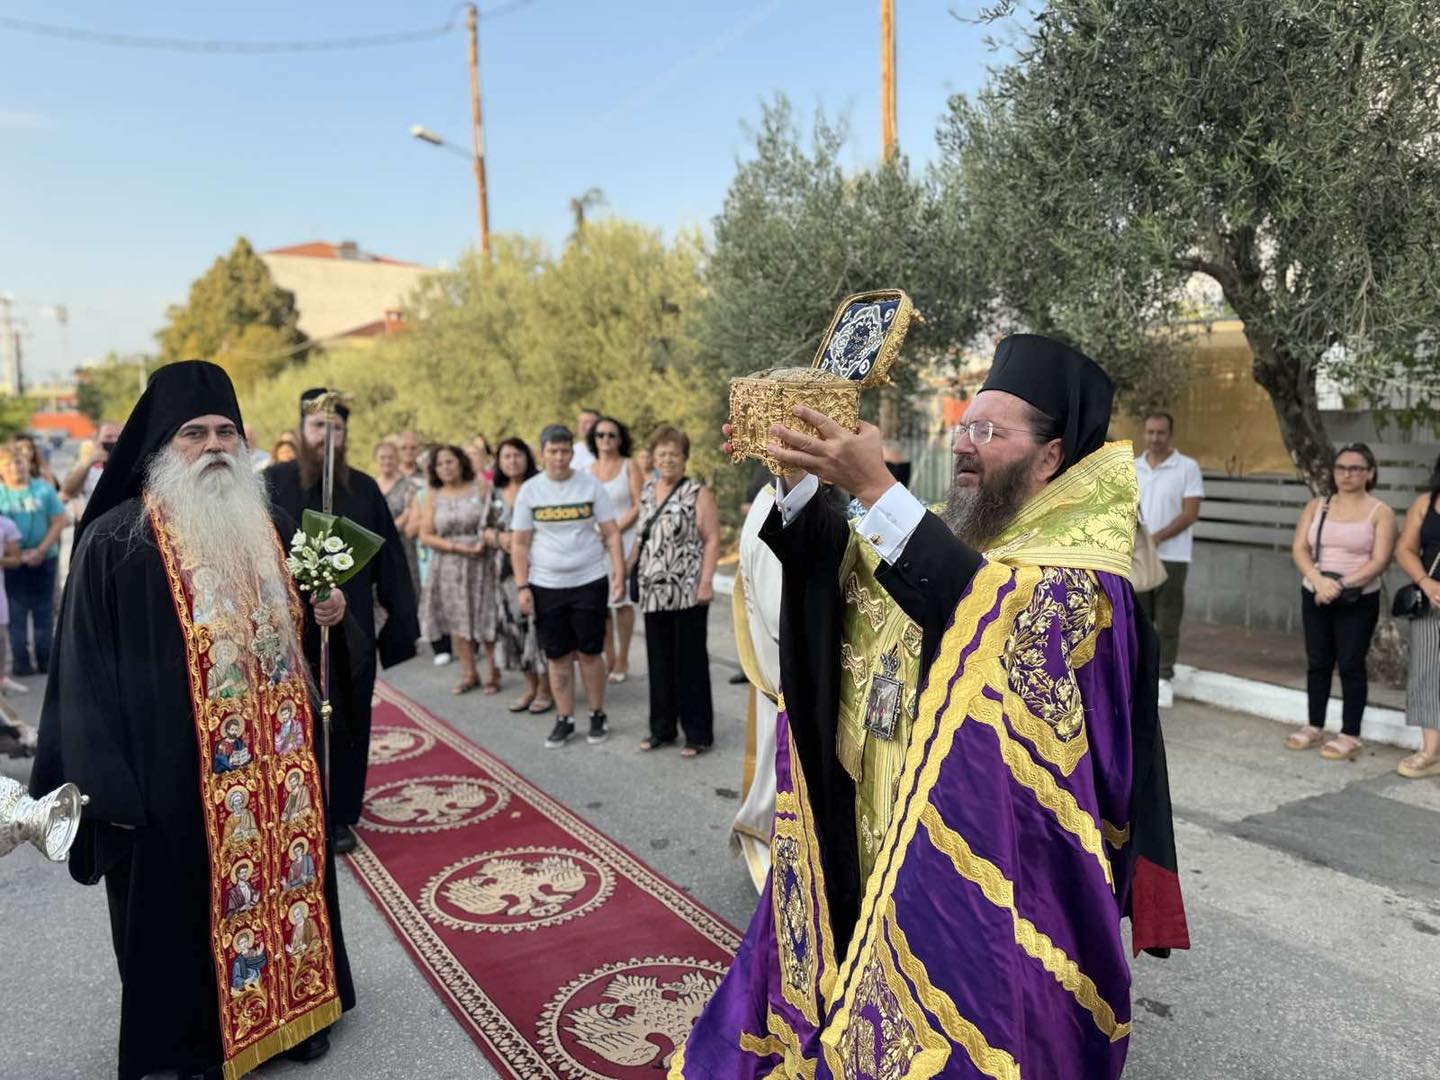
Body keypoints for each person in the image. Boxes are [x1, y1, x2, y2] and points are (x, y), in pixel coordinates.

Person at [675, 334, 1188, 1080]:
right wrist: (800, 484)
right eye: (963, 427)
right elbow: (858, 589)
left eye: (990, 431)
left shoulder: (1084, 576)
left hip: (998, 856)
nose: (967, 447)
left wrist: (879, 490)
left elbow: (992, 623)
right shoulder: (968, 528)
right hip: (888, 817)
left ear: (1050, 457)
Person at [30, 361, 354, 1079]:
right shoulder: (116, 541)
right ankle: (196, 1048)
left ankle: (296, 1016)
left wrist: (330, 614)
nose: (213, 445)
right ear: (160, 446)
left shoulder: (271, 523)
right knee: (183, 917)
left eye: (225, 432)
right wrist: (105, 789)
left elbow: (302, 636)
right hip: (170, 778)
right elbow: (80, 672)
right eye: (193, 433)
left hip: (278, 773)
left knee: (286, 891)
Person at [265, 389, 419, 854]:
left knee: (350, 719)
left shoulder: (365, 488)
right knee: (292, 719)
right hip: (288, 628)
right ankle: (296, 804)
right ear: (301, 431)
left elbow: (391, 559)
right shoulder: (271, 483)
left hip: (350, 631)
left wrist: (398, 622)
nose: (326, 436)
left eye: (336, 428)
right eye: (318, 427)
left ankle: (340, 815)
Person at [511, 424, 626, 749]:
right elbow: (519, 545)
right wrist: (522, 587)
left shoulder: (590, 485)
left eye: (565, 452)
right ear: (543, 453)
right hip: (545, 584)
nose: (559, 458)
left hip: (588, 580)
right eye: (553, 452)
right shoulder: (531, 491)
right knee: (558, 656)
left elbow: (612, 532)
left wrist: (618, 573)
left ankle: (596, 713)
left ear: (571, 454)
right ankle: (564, 718)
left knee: (591, 652)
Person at [1284, 444, 1396, 759]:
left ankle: (1350, 733)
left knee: (1350, 664)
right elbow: (1299, 548)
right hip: (1316, 592)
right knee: (1318, 661)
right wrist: (1318, 581)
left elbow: (1380, 560)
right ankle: (1314, 724)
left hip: (1358, 597)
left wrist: (1342, 584)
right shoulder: (1317, 506)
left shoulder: (1380, 512)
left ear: (1370, 472)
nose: (1347, 474)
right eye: (1341, 468)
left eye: (1356, 468)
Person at [633, 425, 720, 756]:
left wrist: (707, 582)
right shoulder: (647, 490)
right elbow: (642, 536)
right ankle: (662, 729)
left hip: (688, 591)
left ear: (684, 458)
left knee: (690, 664)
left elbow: (712, 538)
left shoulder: (697, 493)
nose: (667, 459)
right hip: (653, 591)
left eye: (674, 454)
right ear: (653, 458)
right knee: (659, 663)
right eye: (661, 454)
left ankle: (697, 734)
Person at [729, 481, 782, 888]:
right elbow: (780, 614)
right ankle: (768, 853)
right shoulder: (774, 511)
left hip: (781, 678)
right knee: (777, 776)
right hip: (783, 679)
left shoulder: (772, 499)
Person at [1134, 412, 1204, 708]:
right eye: (1150, 432)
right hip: (1137, 557)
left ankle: (1163, 679)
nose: (1154, 438)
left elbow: (1190, 513)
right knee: (1139, 621)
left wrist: (1157, 538)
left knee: (1167, 621)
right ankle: (1140, 677)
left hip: (1172, 557)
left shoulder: (1187, 467)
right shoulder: (1133, 467)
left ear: (1170, 434)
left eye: (1161, 433)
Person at [418, 445, 499, 695]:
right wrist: (455, 547)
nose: (445, 468)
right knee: (457, 619)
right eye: (440, 464)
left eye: (450, 462)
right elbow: (425, 535)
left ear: (461, 462)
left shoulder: (481, 488)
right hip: (448, 565)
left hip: (480, 561)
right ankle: (469, 673)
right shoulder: (435, 494)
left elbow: (495, 522)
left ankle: (494, 673)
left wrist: (483, 543)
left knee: (485, 614)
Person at [486, 436, 554, 714]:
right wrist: (499, 538)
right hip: (504, 574)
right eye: (506, 457)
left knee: (539, 629)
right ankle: (529, 686)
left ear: (527, 457)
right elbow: (484, 530)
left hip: (538, 568)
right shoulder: (495, 492)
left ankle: (546, 689)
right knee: (514, 629)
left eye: (517, 455)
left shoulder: (541, 488)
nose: (512, 461)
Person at [0, 442, 66, 677]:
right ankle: (21, 664)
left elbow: (59, 520)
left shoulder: (43, 490)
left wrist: (41, 549)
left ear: (27, 464)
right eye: (8, 464)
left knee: (43, 612)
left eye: (18, 462)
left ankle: (46, 660)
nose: (15, 467)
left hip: (43, 559)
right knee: (16, 616)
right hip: (11, 564)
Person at [1395, 453, 1440, 779]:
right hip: (1432, 601)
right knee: (1427, 675)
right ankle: (1430, 751)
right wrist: (1425, 582)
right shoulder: (1427, 503)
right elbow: (1405, 549)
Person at [587, 416, 642, 682]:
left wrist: (614, 529)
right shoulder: (588, 470)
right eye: (600, 435)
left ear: (620, 438)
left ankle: (623, 657)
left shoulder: (629, 466)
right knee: (603, 601)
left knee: (622, 601)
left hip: (625, 537)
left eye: (611, 434)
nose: (605, 440)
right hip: (597, 543)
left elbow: (639, 504)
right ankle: (608, 655)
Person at [375, 438, 420, 599]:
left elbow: (409, 513)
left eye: (391, 457)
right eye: (383, 457)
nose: (387, 461)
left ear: (397, 459)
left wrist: (386, 531)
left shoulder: (409, 486)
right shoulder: (370, 485)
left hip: (402, 546)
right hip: (376, 547)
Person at [61, 420, 123, 504]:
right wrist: (90, 461)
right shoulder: (89, 465)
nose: (114, 440)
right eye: (108, 437)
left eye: (119, 437)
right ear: (97, 441)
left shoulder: (133, 462)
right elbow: (67, 490)